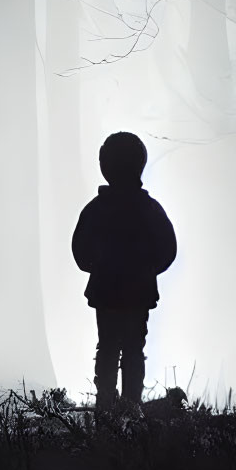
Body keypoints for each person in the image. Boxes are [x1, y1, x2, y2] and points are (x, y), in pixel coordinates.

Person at [72, 131, 176, 410]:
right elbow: (168, 249)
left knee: (107, 347)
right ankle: (131, 408)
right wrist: (148, 270)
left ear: (105, 166)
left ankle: (107, 408)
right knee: (133, 350)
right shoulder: (150, 209)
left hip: (106, 293)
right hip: (137, 292)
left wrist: (98, 265)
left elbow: (80, 253)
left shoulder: (96, 209)